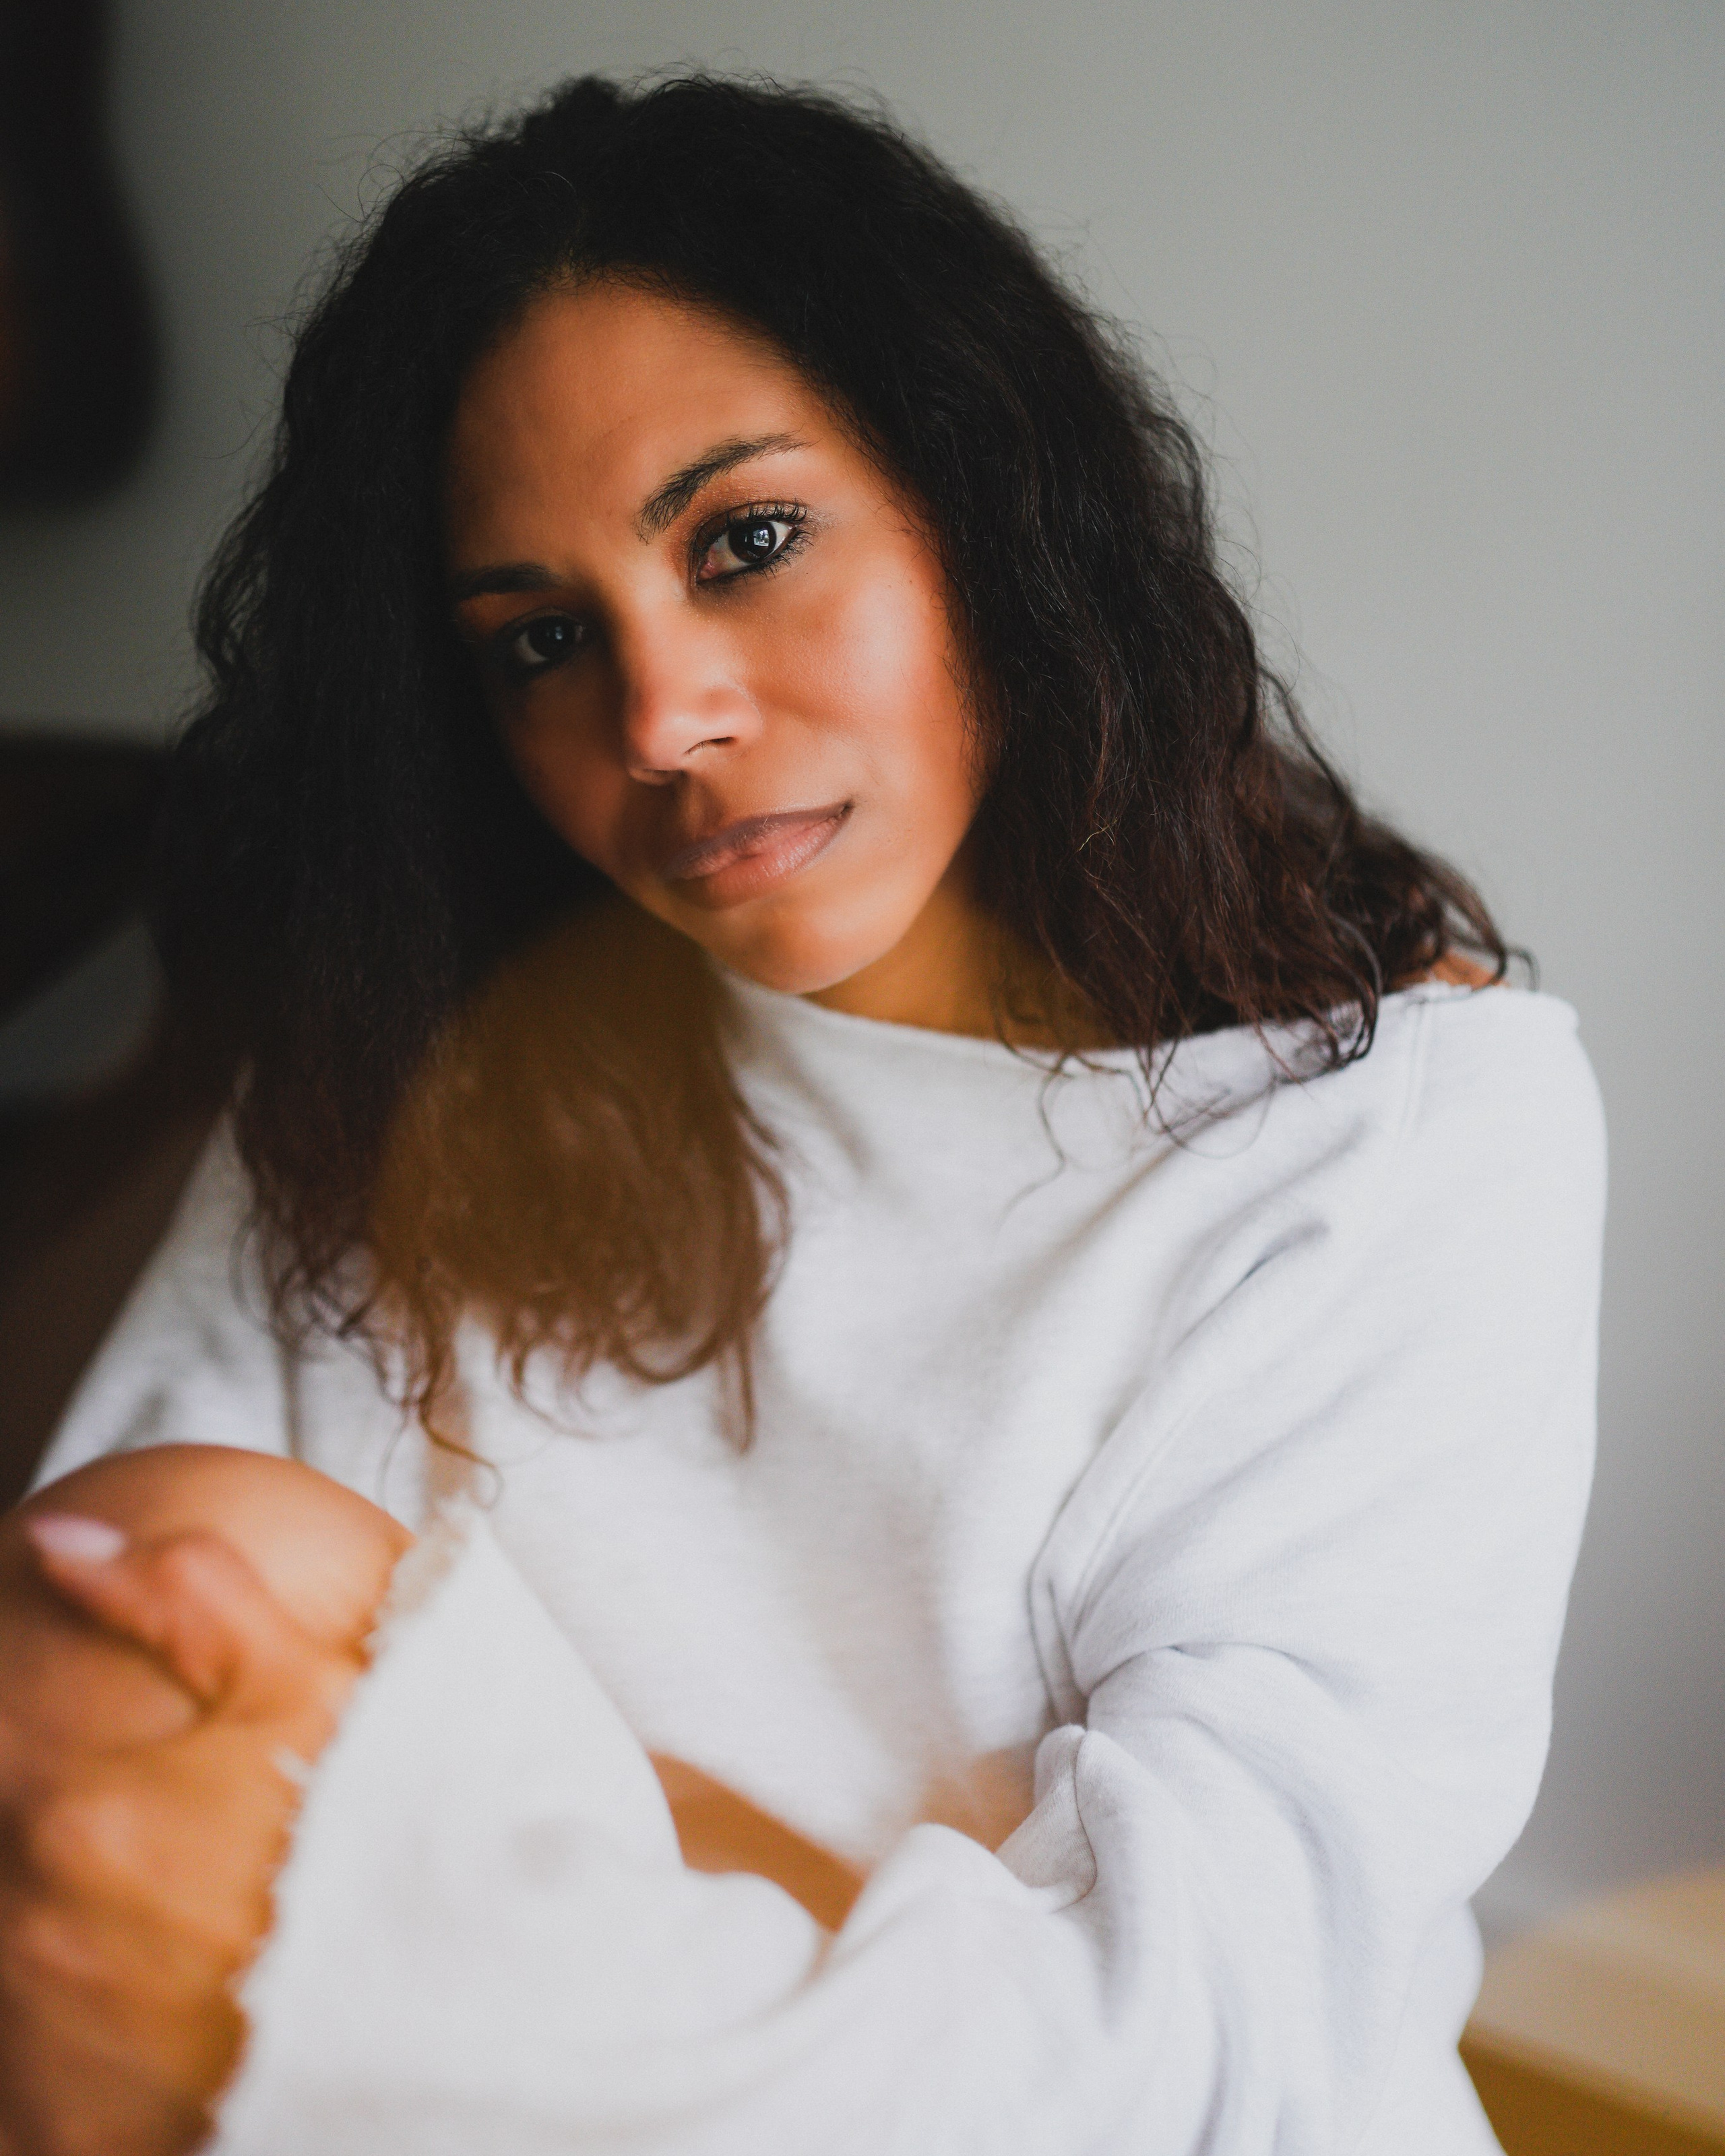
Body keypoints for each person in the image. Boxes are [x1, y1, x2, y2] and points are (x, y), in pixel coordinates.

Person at [0, 71, 1604, 2156]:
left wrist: (503, 1883)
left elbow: (1194, 2045)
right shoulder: (416, 1027)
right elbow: (89, 1701)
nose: (663, 720)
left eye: (746, 542)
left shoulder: (1392, 1131)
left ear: (984, 500)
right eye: (542, 641)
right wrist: (793, 1890)